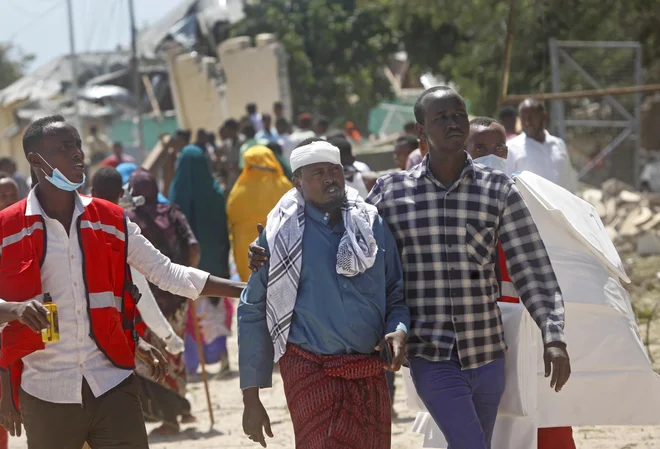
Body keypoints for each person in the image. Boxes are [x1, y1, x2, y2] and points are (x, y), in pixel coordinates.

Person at [0, 115, 245, 449]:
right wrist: (13, 309)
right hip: (46, 393)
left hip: (112, 385)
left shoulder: (111, 220)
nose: (77, 154)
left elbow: (168, 273)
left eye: (77, 145)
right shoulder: (7, 228)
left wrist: (245, 290)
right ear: (35, 160)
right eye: (64, 147)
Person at [367, 87, 570, 449]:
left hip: (488, 354)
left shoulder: (498, 190)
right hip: (430, 352)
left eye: (458, 115)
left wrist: (553, 335)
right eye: (441, 118)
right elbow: (354, 249)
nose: (453, 123)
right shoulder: (392, 193)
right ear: (421, 131)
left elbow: (532, 266)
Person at [239, 138, 410, 448]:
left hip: (369, 370)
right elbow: (252, 308)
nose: (330, 178)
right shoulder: (279, 236)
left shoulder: (370, 225)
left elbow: (395, 292)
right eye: (317, 173)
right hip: (309, 369)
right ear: (298, 183)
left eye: (335, 170)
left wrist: (397, 330)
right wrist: (251, 396)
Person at [467, 117, 577, 449]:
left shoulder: (531, 199)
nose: (492, 154)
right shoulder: (453, 202)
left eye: (499, 146)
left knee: (543, 417)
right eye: (481, 147)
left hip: (529, 328)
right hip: (476, 335)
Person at [169, 142, 233, 376]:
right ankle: (223, 357)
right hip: (213, 262)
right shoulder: (215, 192)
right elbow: (223, 230)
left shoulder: (175, 195)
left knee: (191, 316)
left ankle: (192, 364)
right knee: (214, 311)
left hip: (187, 266)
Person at [228, 146, 293, 283]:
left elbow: (231, 213)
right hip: (279, 243)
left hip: (245, 245)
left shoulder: (240, 187)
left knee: (250, 285)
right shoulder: (285, 186)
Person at [505, 98, 578, 193]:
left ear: (543, 116)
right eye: (524, 118)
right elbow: (508, 187)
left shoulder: (559, 144)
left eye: (532, 117)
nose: (528, 122)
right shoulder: (511, 148)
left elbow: (569, 180)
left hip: (563, 206)